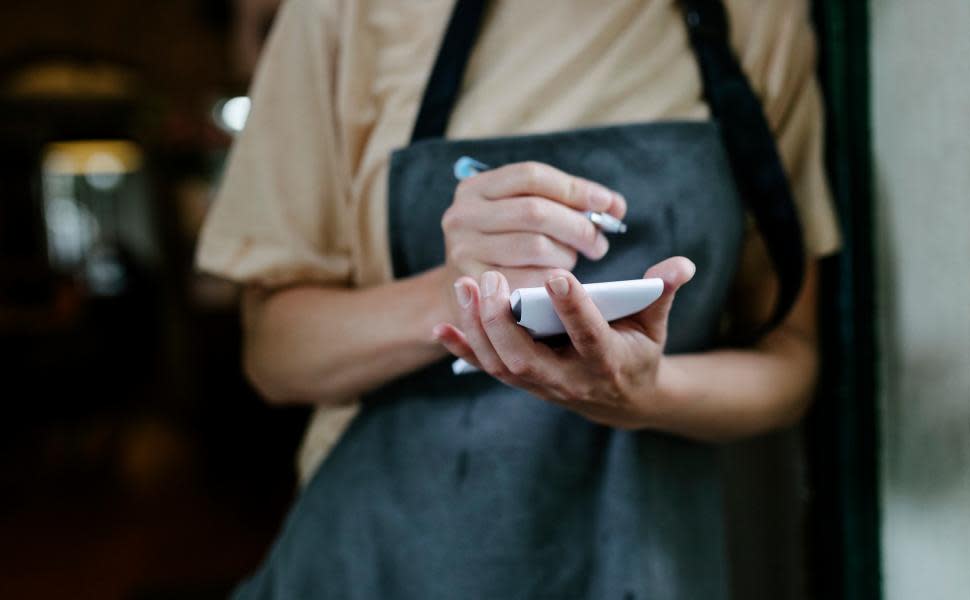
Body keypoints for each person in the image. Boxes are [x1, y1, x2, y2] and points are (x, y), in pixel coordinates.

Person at [196, 0, 841, 597]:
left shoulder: (753, 17)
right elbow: (274, 356)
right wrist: (455, 296)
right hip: (385, 559)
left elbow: (792, 355)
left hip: (647, 557)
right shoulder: (343, 13)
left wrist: (645, 392)